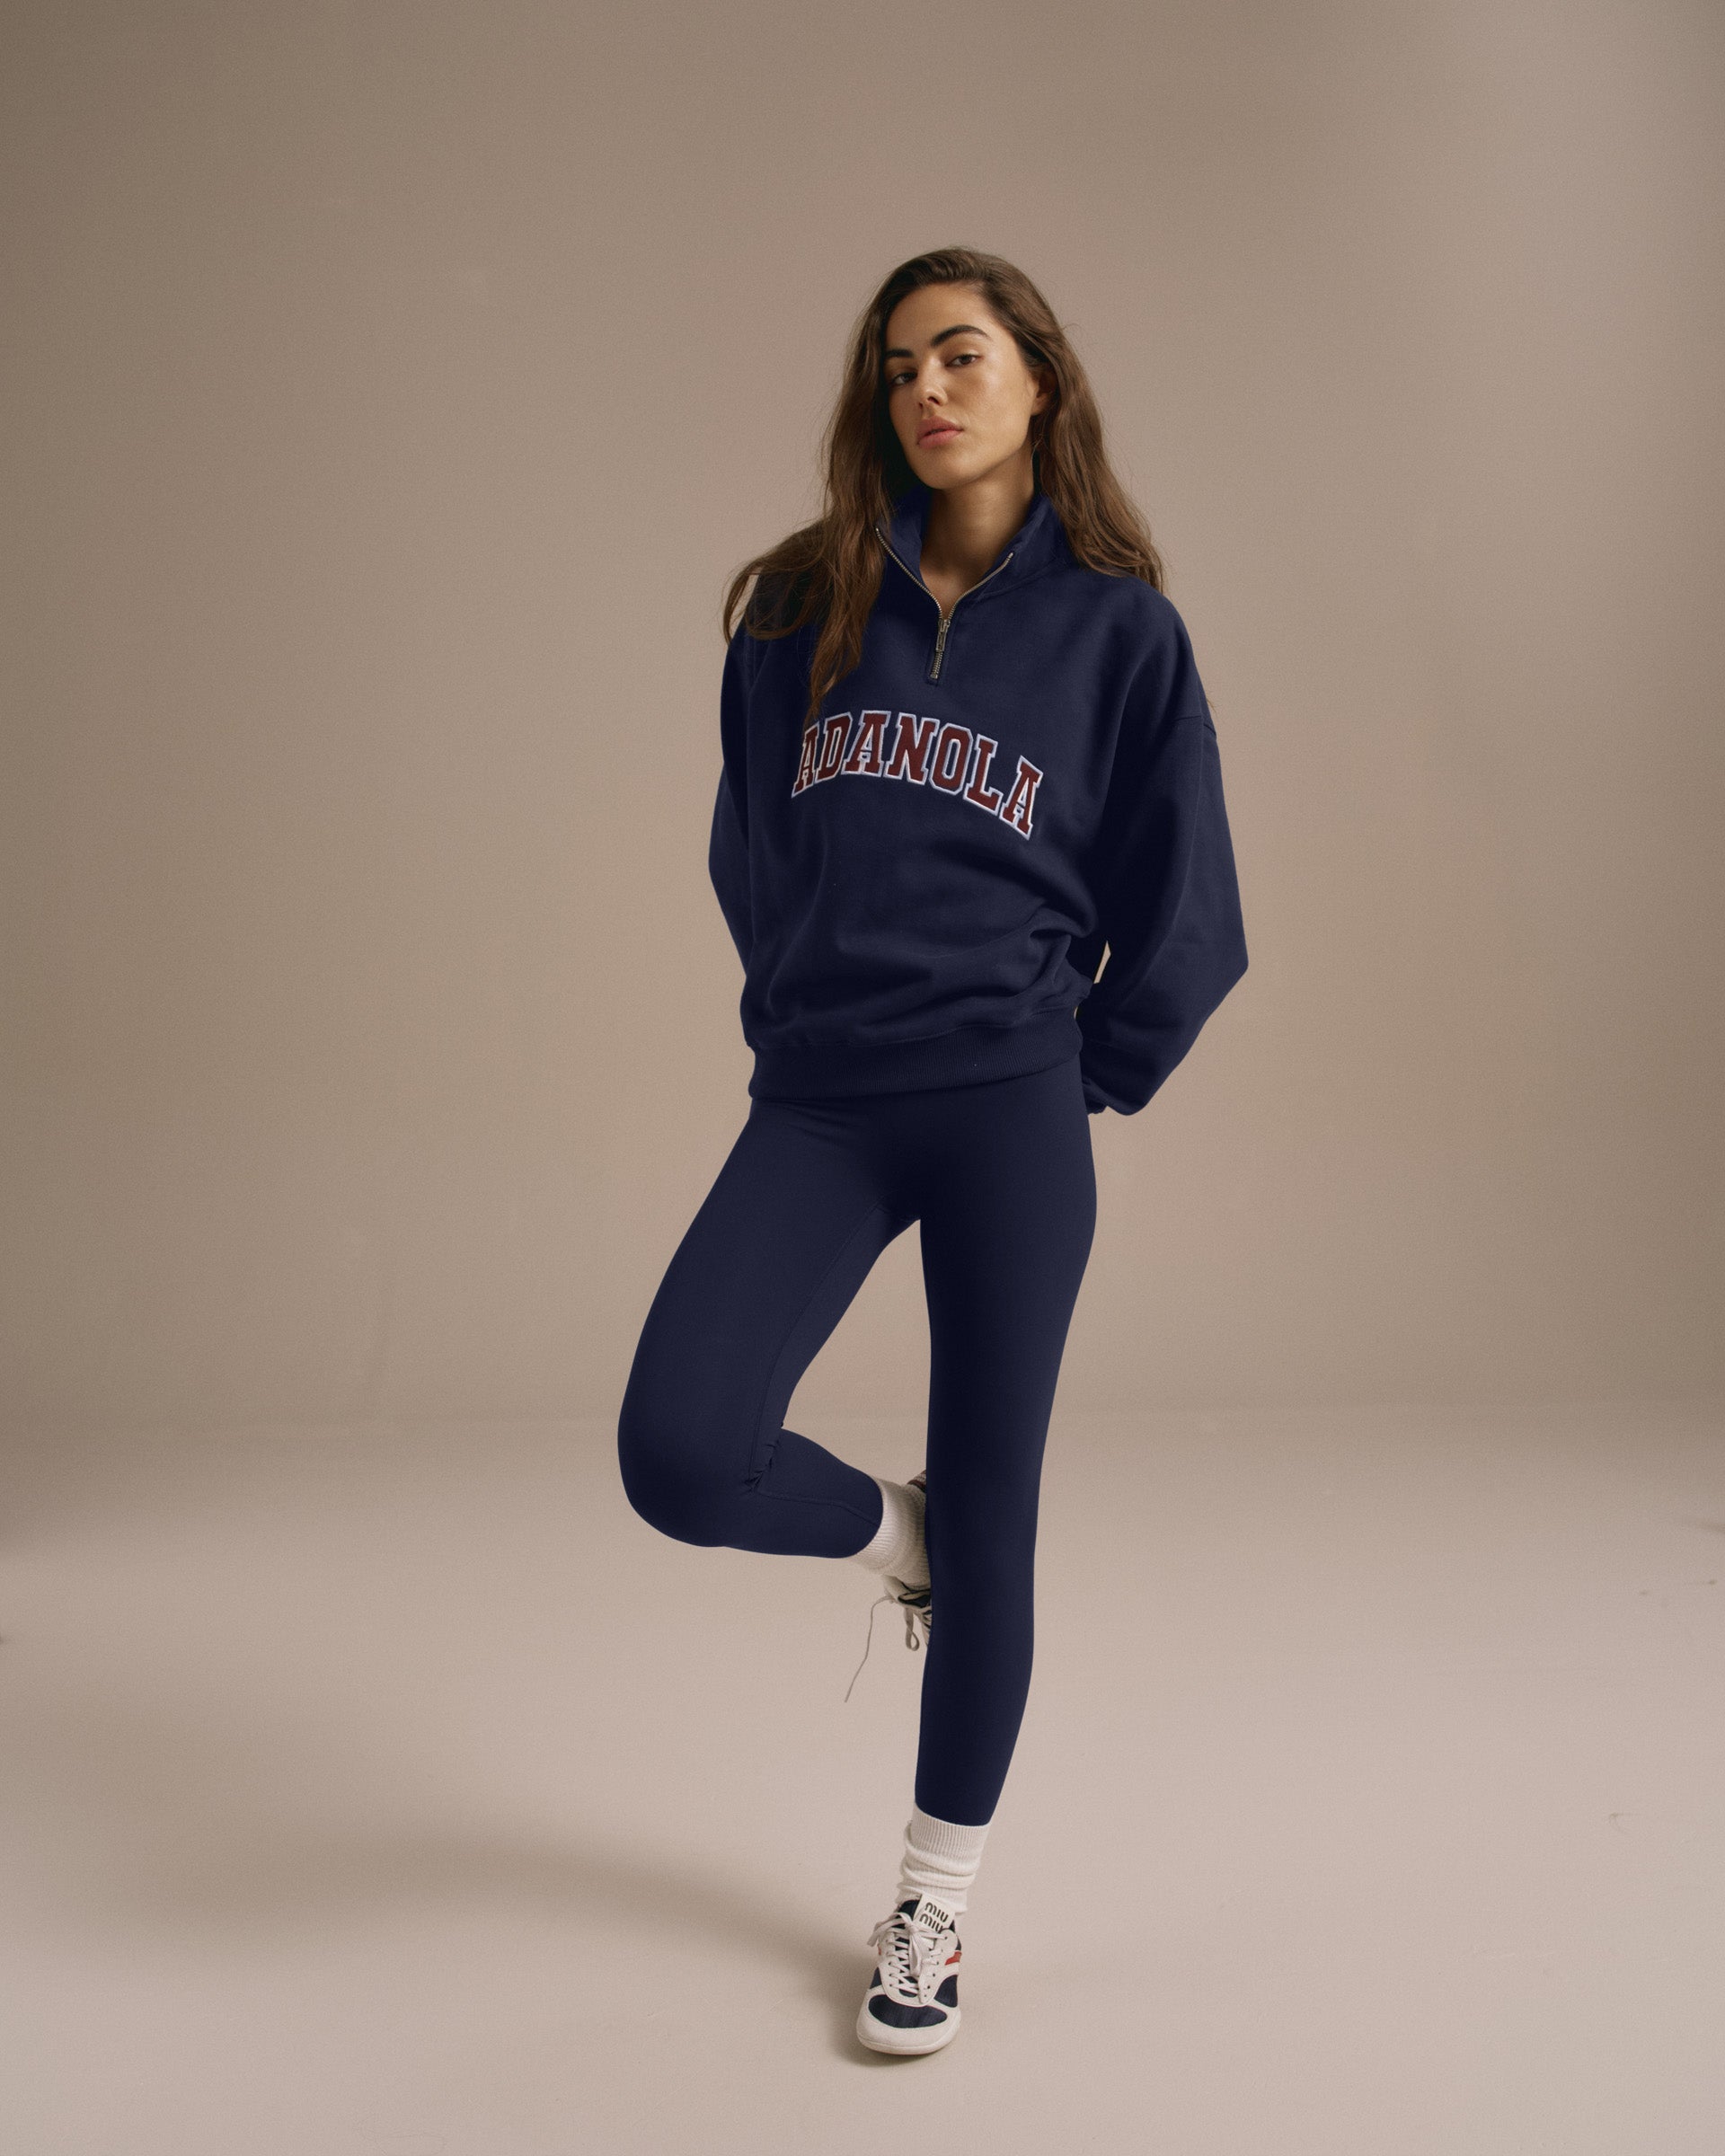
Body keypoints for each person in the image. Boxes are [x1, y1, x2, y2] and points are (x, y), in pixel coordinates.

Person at [616, 244, 1248, 2056]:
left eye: (963, 356)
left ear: (1040, 381)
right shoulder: (793, 607)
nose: (928, 391)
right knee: (682, 1451)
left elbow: (1191, 911)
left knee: (1001, 1513)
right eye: (899, 367)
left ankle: (934, 1903)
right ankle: (899, 1538)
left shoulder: (1122, 633)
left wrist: (1072, 1075)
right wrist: (802, 1009)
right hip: (823, 1103)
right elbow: (753, 855)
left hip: (1007, 1115)